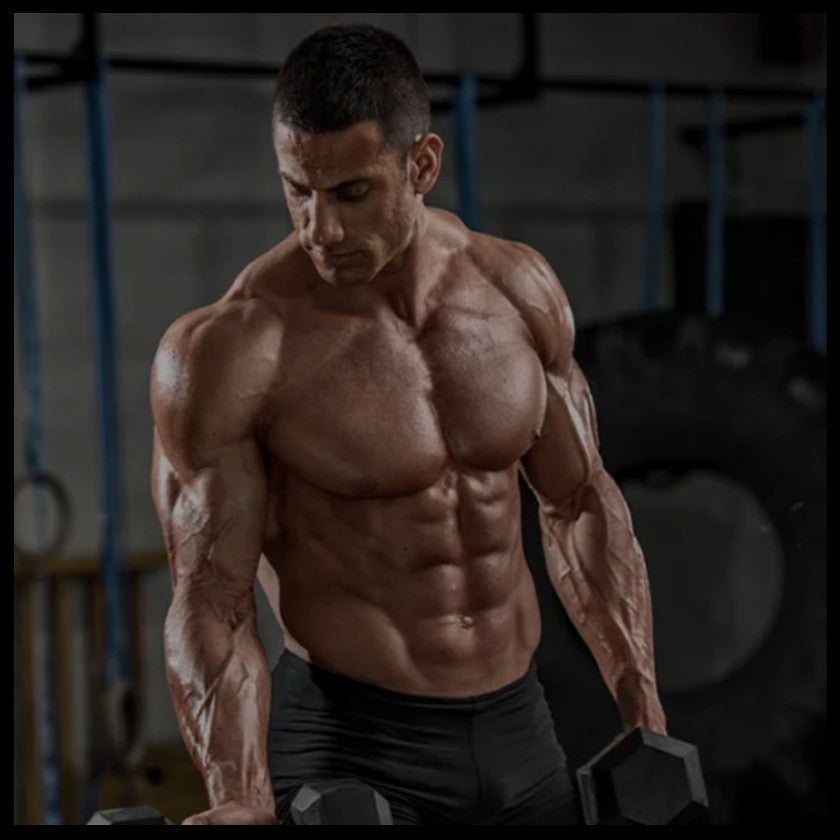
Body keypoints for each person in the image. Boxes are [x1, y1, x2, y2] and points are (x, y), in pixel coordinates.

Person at [150, 23, 667, 826]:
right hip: (350, 751)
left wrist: (642, 707)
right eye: (298, 190)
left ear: (421, 164)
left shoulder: (517, 290)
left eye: (351, 193)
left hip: (520, 731)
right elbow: (211, 598)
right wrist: (239, 795)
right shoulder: (233, 349)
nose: (320, 230)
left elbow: (579, 504)